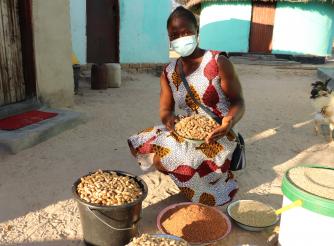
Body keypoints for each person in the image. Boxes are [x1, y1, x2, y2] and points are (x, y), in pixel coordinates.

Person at [128, 6, 245, 206]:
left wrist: (229, 122)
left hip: (218, 134)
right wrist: (169, 120)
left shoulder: (218, 61)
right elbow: (165, 109)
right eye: (174, 35)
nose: (181, 38)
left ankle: (211, 177)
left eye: (186, 32)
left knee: (174, 160)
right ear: (169, 39)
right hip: (188, 129)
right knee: (140, 140)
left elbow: (238, 101)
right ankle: (187, 168)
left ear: (197, 32)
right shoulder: (169, 71)